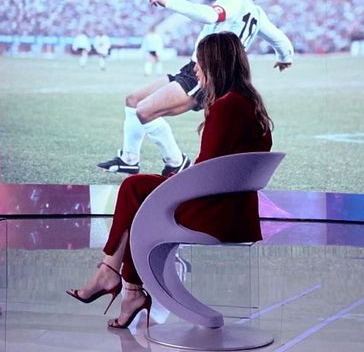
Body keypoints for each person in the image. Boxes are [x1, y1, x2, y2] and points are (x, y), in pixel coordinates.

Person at [70, 32, 273, 329]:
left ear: (214, 64)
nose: (195, 69)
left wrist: (174, 183)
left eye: (199, 62)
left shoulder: (227, 106)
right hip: (233, 209)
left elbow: (206, 171)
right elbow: (214, 169)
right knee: (140, 194)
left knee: (133, 188)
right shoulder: (248, 103)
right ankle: (126, 288)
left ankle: (112, 275)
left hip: (215, 213)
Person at [98, 0, 292, 176]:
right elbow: (280, 40)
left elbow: (209, 15)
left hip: (205, 75)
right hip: (195, 70)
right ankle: (129, 159)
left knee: (144, 111)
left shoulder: (233, 0)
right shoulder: (257, 12)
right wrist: (285, 58)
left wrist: (169, 2)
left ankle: (176, 161)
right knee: (133, 100)